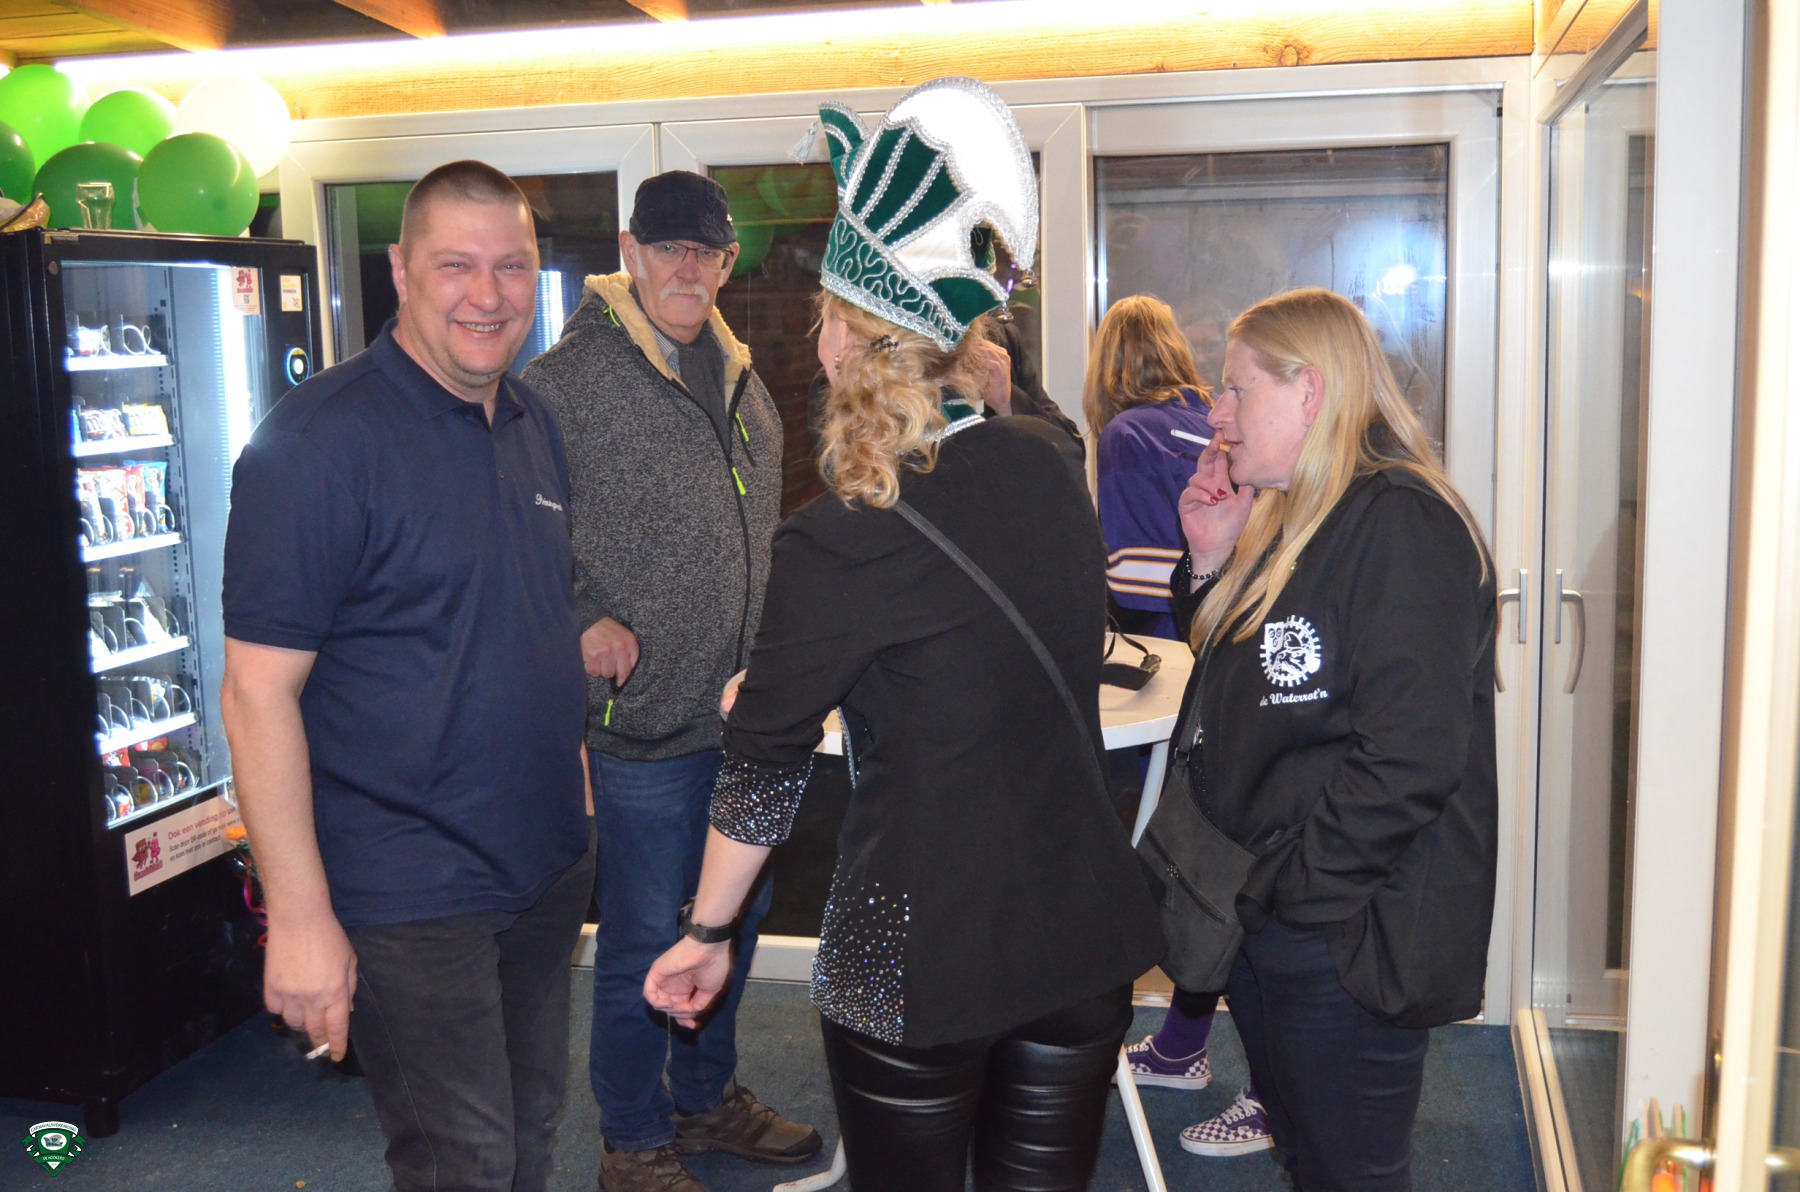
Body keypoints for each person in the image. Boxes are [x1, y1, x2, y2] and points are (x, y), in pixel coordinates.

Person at [644, 76, 1165, 1192]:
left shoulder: (837, 537)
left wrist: (708, 932)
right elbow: (972, 656)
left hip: (916, 953)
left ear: (845, 341)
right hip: (1080, 933)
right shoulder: (1048, 463)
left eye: (824, 319)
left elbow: (762, 771)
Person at [218, 160, 595, 1192]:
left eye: (511, 266)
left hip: (543, 862)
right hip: (408, 885)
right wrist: (300, 919)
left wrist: (575, 780)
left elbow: (522, 614)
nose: (488, 294)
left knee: (529, 1136)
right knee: (461, 1161)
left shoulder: (532, 422)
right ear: (400, 270)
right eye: (456, 265)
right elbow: (254, 695)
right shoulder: (315, 445)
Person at [520, 170, 817, 1192]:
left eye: (707, 251)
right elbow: (508, 528)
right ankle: (635, 1140)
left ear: (728, 263)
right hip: (640, 729)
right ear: (629, 251)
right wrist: (577, 614)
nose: (689, 267)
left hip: (740, 722)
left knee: (724, 924)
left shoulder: (740, 375)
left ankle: (705, 1102)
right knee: (644, 940)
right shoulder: (564, 383)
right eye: (669, 248)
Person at [1170, 286, 1497, 1189]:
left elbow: (1413, 756)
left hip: (1347, 932)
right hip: (1279, 913)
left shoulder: (1401, 522)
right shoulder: (1297, 512)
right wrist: (1212, 557)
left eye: (1237, 389)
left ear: (1309, 391)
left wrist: (1300, 897)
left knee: (1349, 1169)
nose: (1217, 414)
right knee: (1308, 1155)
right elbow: (1254, 679)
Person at [1083, 294, 1275, 1159]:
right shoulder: (1216, 424)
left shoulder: (1127, 433)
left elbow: (1128, 572)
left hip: (1184, 665)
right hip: (1223, 657)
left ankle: (1266, 1087)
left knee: (1212, 872)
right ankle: (1182, 1047)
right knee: (1209, 869)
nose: (1225, 404)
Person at [1083, 294, 1216, 641]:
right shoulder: (1216, 417)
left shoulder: (1127, 435)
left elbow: (1135, 576)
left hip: (1169, 634)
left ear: (1106, 362)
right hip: (1228, 618)